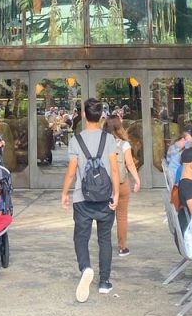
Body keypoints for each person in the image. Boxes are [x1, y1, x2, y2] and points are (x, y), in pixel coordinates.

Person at [60, 96, 120, 302]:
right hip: (105, 197)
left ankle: (86, 267)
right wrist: (117, 194)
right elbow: (113, 168)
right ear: (101, 115)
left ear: (84, 115)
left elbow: (71, 172)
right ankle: (104, 282)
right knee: (104, 239)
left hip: (82, 197)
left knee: (81, 237)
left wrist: (64, 193)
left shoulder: (76, 141)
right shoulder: (109, 139)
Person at [104, 115, 141, 257]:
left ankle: (105, 244)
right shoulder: (124, 144)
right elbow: (130, 164)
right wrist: (137, 180)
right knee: (122, 217)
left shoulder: (102, 143)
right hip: (121, 182)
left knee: (105, 216)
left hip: (105, 185)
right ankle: (122, 246)